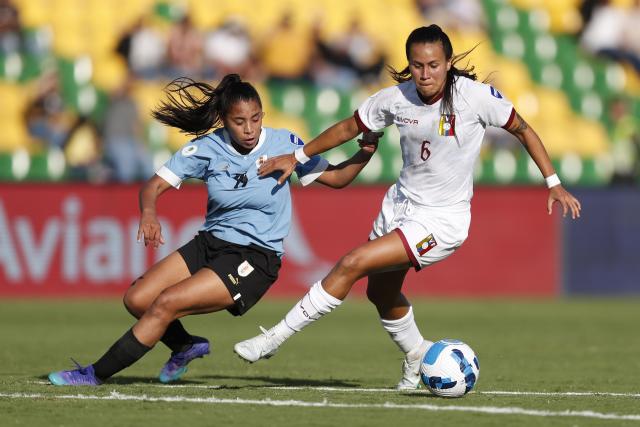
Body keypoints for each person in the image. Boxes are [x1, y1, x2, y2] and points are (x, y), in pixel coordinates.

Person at [233, 25, 582, 390]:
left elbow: (523, 128)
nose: (425, 73)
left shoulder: (475, 97)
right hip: (399, 206)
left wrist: (553, 182)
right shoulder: (394, 99)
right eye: (417, 65)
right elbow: (349, 127)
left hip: (441, 220)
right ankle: (417, 355)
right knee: (379, 293)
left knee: (353, 262)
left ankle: (272, 339)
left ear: (448, 63)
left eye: (433, 65)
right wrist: (299, 155)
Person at [47, 73, 380, 386]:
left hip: (255, 256)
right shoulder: (207, 149)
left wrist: (365, 151)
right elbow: (153, 186)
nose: (249, 129)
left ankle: (94, 374)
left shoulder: (285, 143)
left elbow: (337, 178)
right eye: (239, 121)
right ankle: (185, 346)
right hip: (210, 243)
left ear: (263, 115)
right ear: (224, 120)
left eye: (256, 118)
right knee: (137, 299)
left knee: (165, 303)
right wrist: (149, 213)